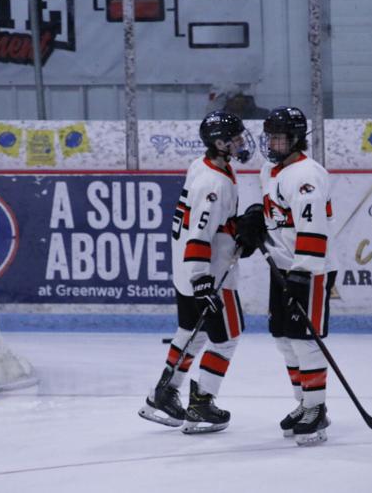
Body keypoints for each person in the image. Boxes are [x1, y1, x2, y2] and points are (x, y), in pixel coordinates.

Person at [138, 111, 256, 434]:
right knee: (227, 337)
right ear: (219, 143)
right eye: (234, 139)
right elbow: (200, 235)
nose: (241, 143)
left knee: (191, 330)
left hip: (185, 269)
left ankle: (162, 393)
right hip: (209, 274)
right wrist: (203, 280)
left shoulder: (204, 166)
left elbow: (207, 224)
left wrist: (236, 228)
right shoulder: (212, 183)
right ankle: (202, 403)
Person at [239, 106, 337, 446]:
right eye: (270, 137)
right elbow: (277, 213)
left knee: (303, 339)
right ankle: (303, 403)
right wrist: (255, 218)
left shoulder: (307, 175)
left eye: (279, 137)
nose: (272, 143)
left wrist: (302, 274)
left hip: (309, 269)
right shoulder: (270, 170)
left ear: (295, 139)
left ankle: (316, 408)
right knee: (283, 338)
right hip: (281, 267)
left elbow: (312, 228)